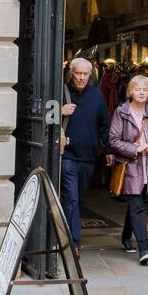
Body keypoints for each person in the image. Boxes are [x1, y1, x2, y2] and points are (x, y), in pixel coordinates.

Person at [108, 75, 148, 265]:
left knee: (137, 204)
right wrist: (136, 149)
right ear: (131, 92)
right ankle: (144, 249)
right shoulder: (121, 112)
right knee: (137, 207)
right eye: (137, 89)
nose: (141, 92)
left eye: (145, 89)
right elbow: (114, 140)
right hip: (131, 166)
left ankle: (126, 237)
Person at [60, 57, 112, 260]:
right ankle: (73, 243)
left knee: (78, 199)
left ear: (90, 75)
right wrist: (59, 111)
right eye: (78, 73)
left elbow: (105, 125)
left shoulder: (96, 95)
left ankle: (64, 230)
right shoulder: (60, 93)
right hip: (68, 156)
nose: (81, 77)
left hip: (88, 158)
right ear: (71, 73)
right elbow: (41, 116)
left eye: (85, 74)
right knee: (71, 197)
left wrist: (108, 148)